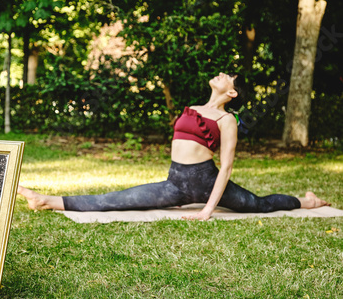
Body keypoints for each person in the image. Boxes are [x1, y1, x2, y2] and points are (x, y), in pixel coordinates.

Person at [18, 72, 329, 221]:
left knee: (260, 204)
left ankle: (308, 201)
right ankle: (46, 201)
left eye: (229, 77)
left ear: (232, 93)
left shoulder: (227, 120)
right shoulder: (193, 107)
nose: (222, 74)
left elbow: (227, 167)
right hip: (175, 184)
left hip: (205, 183)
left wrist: (208, 209)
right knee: (117, 199)